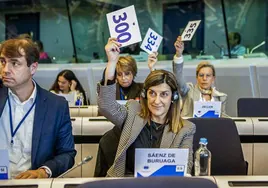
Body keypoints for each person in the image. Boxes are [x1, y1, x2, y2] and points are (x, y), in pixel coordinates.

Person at [98, 38, 196, 177]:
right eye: (152, 93)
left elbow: (185, 170)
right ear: (145, 94)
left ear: (173, 97)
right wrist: (112, 62)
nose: (157, 101)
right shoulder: (132, 112)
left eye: (164, 94)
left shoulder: (186, 129)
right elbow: (106, 106)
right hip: (126, 184)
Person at [0, 38, 76, 179]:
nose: (5, 70)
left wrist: (43, 171)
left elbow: (67, 154)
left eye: (15, 63)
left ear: (33, 68)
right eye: (3, 62)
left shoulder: (56, 106)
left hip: (33, 184)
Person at [172, 36, 228, 117]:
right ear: (196, 77)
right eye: (201, 75)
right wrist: (179, 54)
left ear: (213, 78)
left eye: (208, 76)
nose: (204, 79)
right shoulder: (188, 91)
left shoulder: (221, 97)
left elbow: (224, 121)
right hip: (191, 129)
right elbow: (178, 75)